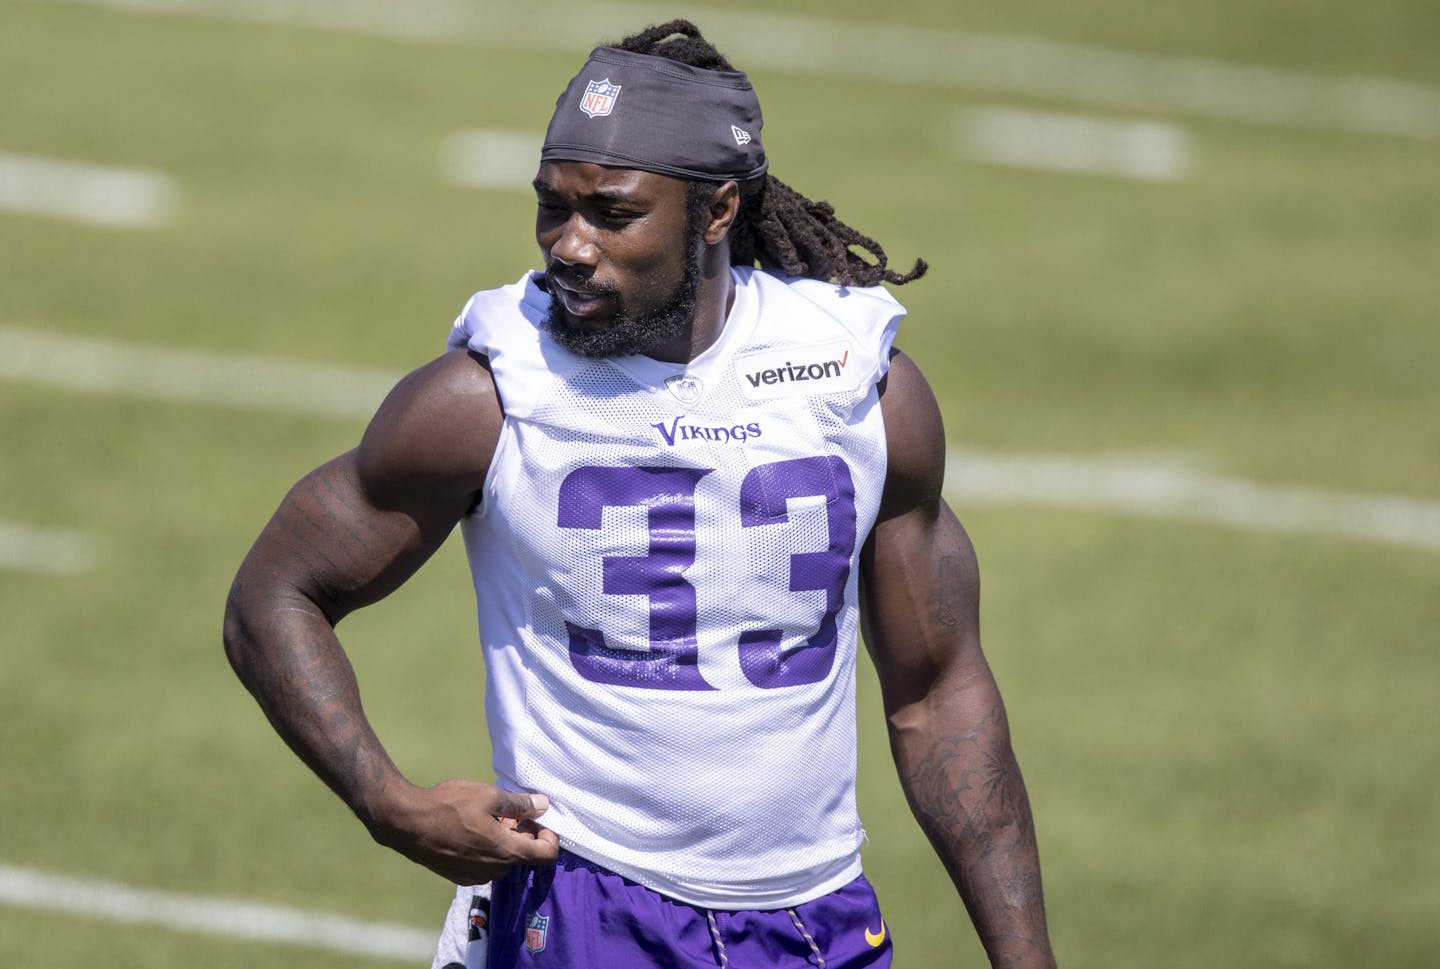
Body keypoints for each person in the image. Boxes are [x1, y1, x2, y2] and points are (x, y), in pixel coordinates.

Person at [224, 19, 1056, 969]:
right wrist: (386, 799)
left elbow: (940, 687)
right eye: (552, 206)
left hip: (812, 920)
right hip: (584, 905)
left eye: (612, 214)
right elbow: (273, 594)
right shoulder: (485, 396)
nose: (568, 245)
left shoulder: (856, 382)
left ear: (718, 211)